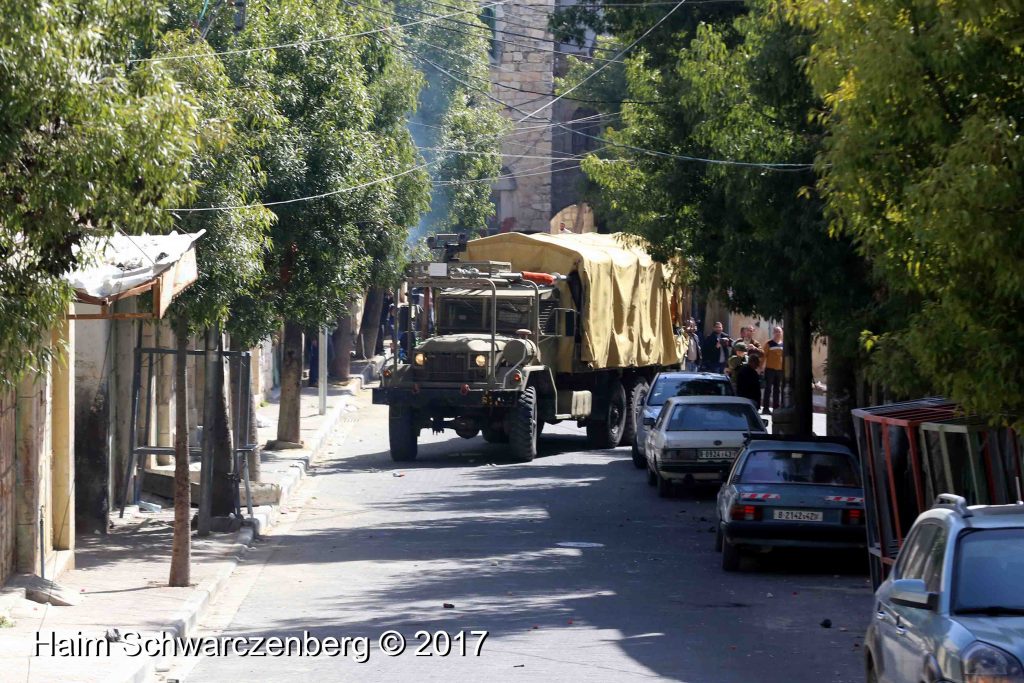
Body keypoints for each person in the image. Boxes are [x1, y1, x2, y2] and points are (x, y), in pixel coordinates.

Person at [762, 325, 784, 414]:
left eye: (779, 332)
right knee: (768, 389)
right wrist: (761, 367)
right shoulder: (769, 343)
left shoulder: (783, 344)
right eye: (776, 332)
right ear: (773, 333)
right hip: (770, 369)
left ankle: (776, 408)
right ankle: (766, 408)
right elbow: (763, 356)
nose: (778, 333)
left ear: (782, 333)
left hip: (780, 370)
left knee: (777, 390)